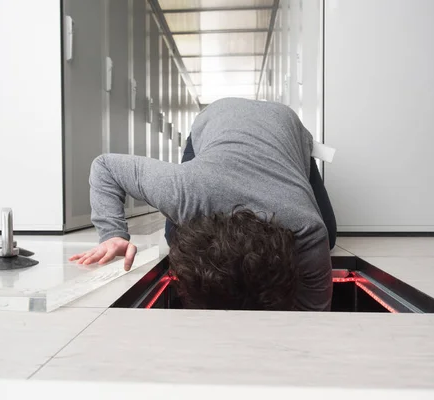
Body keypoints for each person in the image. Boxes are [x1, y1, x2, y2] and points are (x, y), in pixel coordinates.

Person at [69, 97, 337, 311]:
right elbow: (105, 167)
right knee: (174, 236)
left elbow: (314, 312)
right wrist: (112, 234)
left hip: (286, 126)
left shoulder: (306, 226)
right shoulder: (184, 190)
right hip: (216, 117)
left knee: (330, 237)